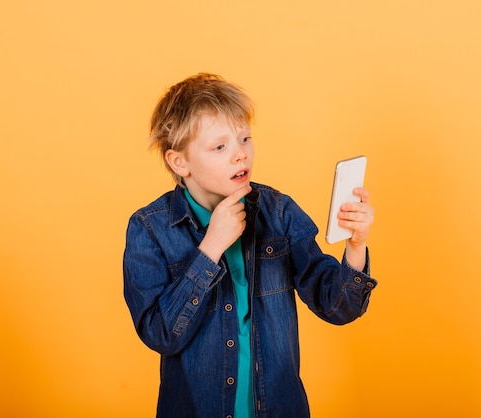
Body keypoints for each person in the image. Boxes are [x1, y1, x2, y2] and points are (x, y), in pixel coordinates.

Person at [123, 73, 377, 418]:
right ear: (179, 162)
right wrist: (211, 247)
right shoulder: (149, 229)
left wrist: (356, 247)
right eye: (220, 146)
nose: (240, 154)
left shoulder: (279, 212)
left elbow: (337, 307)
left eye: (245, 139)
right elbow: (161, 334)